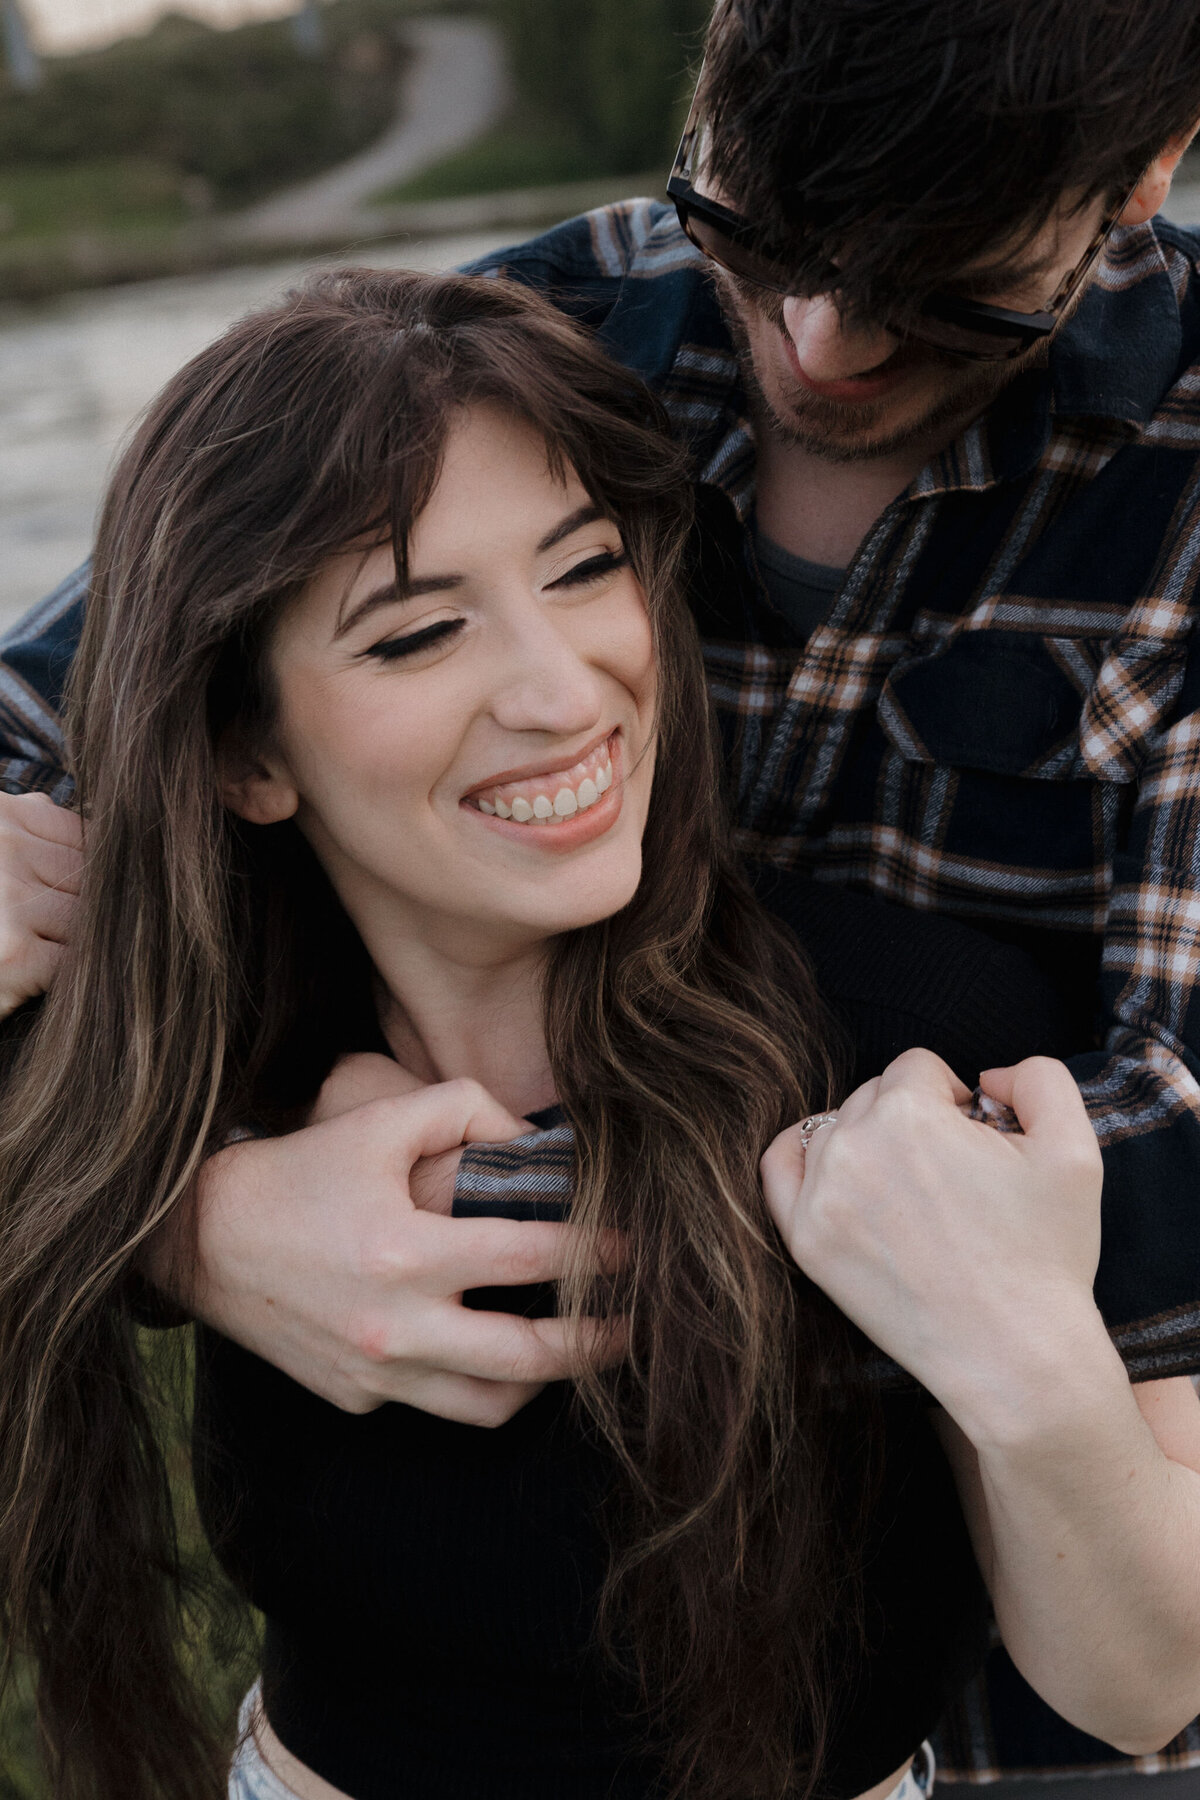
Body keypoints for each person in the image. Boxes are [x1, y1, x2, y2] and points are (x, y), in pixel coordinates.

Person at [4, 0, 1200, 1790]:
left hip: (1045, 1654)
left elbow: (1162, 1175)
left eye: (946, 286)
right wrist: (189, 1212)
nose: (821, 339)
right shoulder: (529, 347)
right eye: (761, 233)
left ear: (1148, 180)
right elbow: (91, 715)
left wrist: (994, 1327)